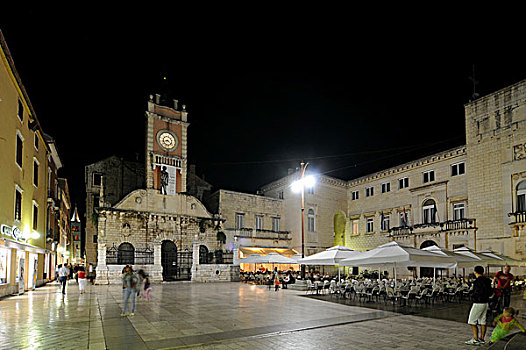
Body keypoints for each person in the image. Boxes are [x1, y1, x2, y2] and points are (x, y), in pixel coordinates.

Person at [466, 265, 493, 345]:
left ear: (475, 272)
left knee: (472, 321)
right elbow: (490, 292)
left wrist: (472, 295)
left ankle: (475, 339)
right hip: (485, 302)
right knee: (482, 321)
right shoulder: (488, 281)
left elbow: (477, 292)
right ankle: (482, 338)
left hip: (478, 303)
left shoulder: (477, 281)